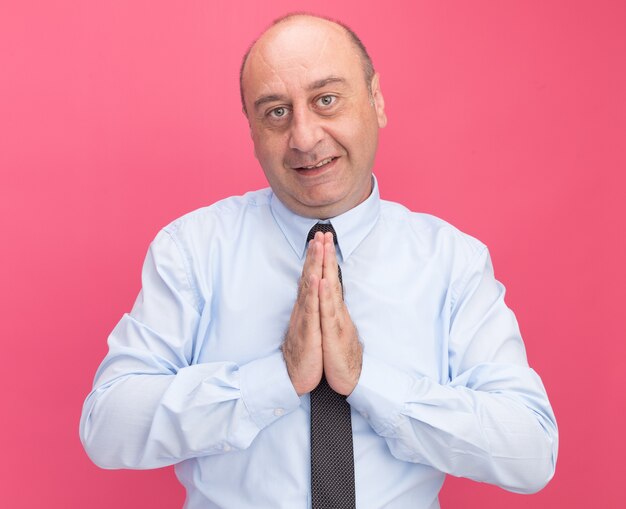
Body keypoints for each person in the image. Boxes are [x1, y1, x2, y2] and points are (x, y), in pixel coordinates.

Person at [80, 13, 558, 509]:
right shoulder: (192, 251)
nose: (304, 138)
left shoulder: (452, 262)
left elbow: (531, 451)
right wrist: (275, 378)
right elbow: (107, 426)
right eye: (276, 113)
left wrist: (366, 379)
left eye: (326, 100)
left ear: (376, 100)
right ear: (252, 131)